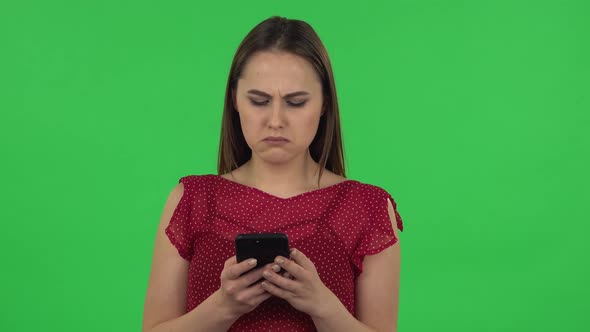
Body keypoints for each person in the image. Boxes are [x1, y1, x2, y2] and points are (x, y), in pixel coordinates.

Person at [142, 16, 404, 332]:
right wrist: (223, 307)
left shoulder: (368, 207)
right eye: (259, 100)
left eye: (295, 102)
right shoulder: (193, 200)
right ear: (235, 100)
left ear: (324, 104)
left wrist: (324, 308)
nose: (276, 120)